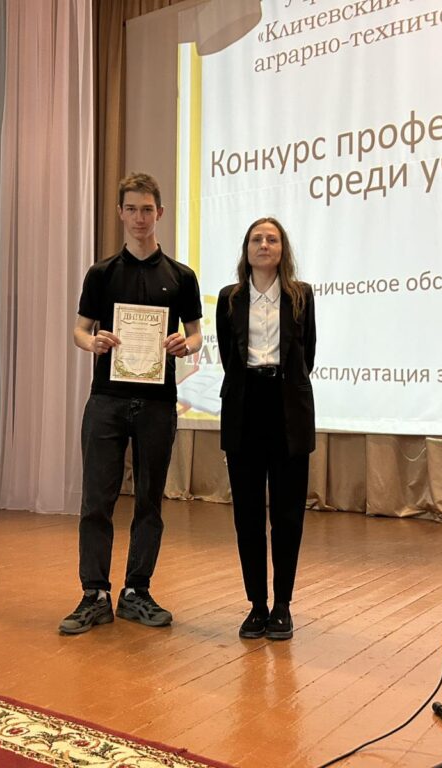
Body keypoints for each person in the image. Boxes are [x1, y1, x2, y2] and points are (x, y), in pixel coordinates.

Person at [59, 172, 203, 635]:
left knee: (149, 501)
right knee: (95, 501)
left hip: (158, 403)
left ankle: (137, 591)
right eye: (132, 209)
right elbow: (79, 329)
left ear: (159, 213)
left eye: (147, 209)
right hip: (106, 400)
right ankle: (94, 594)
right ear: (121, 213)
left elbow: (196, 334)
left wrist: (185, 344)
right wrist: (93, 343)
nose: (140, 218)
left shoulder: (181, 277)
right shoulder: (101, 273)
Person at [216, 217, 316, 641]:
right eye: (256, 239)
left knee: (288, 516)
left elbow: (307, 354)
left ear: (282, 249)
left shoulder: (301, 295)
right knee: (248, 516)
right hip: (244, 409)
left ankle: (283, 606)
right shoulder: (229, 298)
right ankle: (257, 605)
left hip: (288, 408)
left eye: (271, 239)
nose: (263, 245)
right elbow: (228, 355)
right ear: (246, 249)